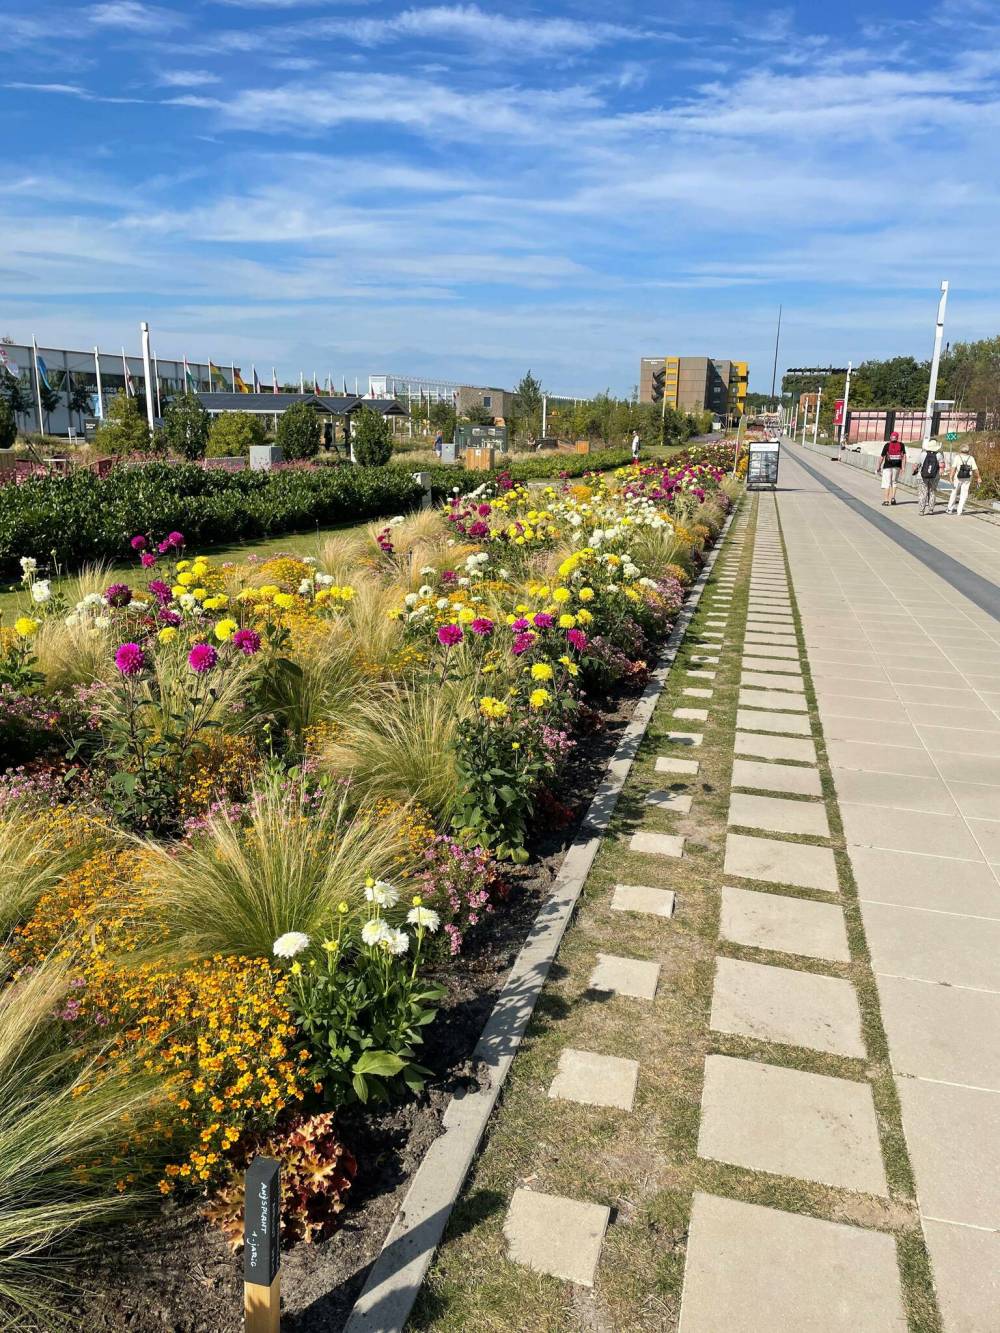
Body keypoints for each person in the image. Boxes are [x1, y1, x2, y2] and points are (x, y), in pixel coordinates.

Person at [946, 442, 980, 515]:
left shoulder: (957, 457)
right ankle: (960, 511)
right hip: (967, 478)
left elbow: (953, 468)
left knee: (954, 492)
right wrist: (978, 477)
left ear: (960, 450)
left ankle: (950, 509)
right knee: (964, 494)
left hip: (958, 478)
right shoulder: (971, 458)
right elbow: (975, 469)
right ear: (968, 450)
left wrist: (951, 477)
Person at [911, 438, 942, 515]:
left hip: (922, 476)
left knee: (922, 492)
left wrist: (914, 470)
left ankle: (921, 510)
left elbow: (915, 465)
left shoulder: (922, 454)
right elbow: (942, 466)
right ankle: (931, 509)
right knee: (932, 492)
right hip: (934, 476)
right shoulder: (939, 455)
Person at [877, 431, 906, 505]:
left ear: (890, 437)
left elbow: (882, 457)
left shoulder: (887, 445)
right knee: (894, 482)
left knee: (887, 483)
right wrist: (903, 468)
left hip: (887, 467)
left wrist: (878, 466)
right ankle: (893, 498)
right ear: (897, 437)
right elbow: (904, 457)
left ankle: (886, 501)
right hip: (897, 466)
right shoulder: (901, 445)